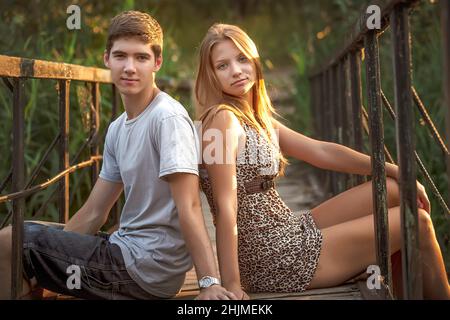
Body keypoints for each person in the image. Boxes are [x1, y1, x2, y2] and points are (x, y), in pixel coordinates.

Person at [194, 23, 450, 300]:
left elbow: (321, 151)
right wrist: (232, 283)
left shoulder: (253, 118)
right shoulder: (222, 121)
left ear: (255, 61)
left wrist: (392, 169)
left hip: (288, 228)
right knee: (417, 222)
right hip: (270, 256)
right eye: (222, 65)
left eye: (242, 58)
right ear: (211, 76)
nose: (236, 70)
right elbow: (224, 206)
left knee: (395, 190)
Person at [0, 11, 237, 300]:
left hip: (146, 269)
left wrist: (209, 283)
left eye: (141, 58)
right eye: (121, 56)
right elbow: (94, 213)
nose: (129, 67)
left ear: (157, 63)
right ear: (106, 59)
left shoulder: (167, 119)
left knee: (10, 242)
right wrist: (52, 259)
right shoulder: (117, 128)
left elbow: (189, 205)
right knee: (26, 239)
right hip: (125, 252)